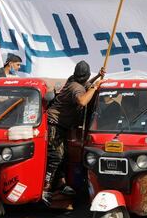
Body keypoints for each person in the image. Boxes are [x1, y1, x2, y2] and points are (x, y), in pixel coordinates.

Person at [43, 61, 105, 203]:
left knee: (63, 156)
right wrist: (94, 88)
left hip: (60, 125)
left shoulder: (73, 80)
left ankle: (61, 184)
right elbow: (82, 101)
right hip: (55, 124)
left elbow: (84, 84)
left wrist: (97, 77)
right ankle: (45, 189)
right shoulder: (76, 88)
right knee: (55, 157)